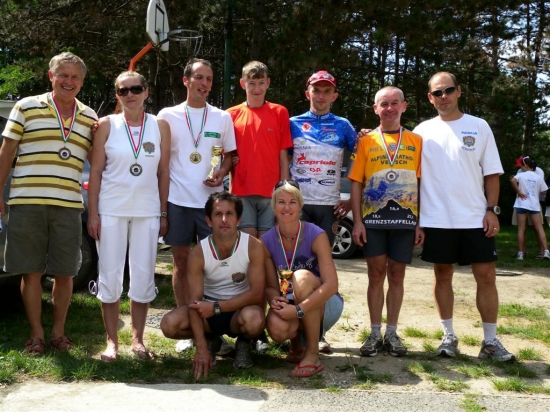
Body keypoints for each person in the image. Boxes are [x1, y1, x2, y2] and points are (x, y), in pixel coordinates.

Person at [412, 71, 515, 361]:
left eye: (448, 90)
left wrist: (492, 210)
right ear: (430, 98)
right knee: (442, 275)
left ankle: (490, 342)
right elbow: (413, 178)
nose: (443, 97)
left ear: (459, 91)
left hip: (475, 217)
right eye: (437, 93)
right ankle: (448, 337)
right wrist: (418, 220)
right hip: (437, 218)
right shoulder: (421, 131)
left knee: (486, 276)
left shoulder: (479, 126)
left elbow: (492, 173)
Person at [0, 52, 98, 355]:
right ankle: (36, 335)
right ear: (51, 76)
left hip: (68, 205)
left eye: (75, 77)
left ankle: (58, 332)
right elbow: (6, 152)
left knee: (66, 272)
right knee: (30, 272)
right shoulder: (25, 106)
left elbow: (99, 163)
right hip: (26, 201)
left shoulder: (90, 117)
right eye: (63, 75)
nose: (69, 81)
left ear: (82, 82)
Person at [86, 71, 170, 361]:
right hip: (111, 209)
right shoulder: (106, 125)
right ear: (117, 96)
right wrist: (93, 213)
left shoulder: (160, 125)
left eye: (135, 89)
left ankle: (137, 340)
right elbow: (96, 172)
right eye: (123, 91)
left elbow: (163, 172)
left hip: (147, 211)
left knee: (143, 275)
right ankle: (111, 342)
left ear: (146, 92)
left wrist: (163, 212)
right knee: (109, 275)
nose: (130, 94)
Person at [158, 58, 236, 352]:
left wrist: (221, 172)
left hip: (211, 204)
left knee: (214, 266)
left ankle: (214, 329)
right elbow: (160, 159)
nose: (204, 84)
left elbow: (229, 156)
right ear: (186, 80)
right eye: (199, 78)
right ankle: (189, 329)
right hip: (177, 200)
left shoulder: (221, 117)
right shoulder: (167, 115)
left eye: (209, 79)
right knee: (180, 264)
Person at [349, 86, 423, 357]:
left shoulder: (417, 141)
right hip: (373, 219)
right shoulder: (365, 141)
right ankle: (374, 332)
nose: (389, 108)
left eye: (394, 103)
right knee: (375, 275)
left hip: (405, 219)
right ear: (375, 108)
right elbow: (356, 182)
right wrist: (357, 222)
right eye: (384, 104)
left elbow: (422, 183)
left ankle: (392, 333)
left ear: (404, 106)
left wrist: (420, 222)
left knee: (397, 275)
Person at [160, 192, 265, 378]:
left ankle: (244, 343)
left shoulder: (253, 246)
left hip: (238, 311)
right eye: (218, 214)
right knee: (169, 325)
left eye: (229, 214)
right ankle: (210, 341)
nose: (224, 220)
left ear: (238, 219)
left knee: (255, 319)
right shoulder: (199, 252)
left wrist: (217, 307)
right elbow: (194, 302)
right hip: (206, 313)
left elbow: (257, 294)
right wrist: (200, 348)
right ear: (208, 220)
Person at [289, 71, 356, 354]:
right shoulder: (292, 123)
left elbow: (360, 155)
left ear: (334, 96)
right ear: (308, 94)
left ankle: (319, 333)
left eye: (327, 91)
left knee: (321, 270)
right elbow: (280, 157)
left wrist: (351, 197)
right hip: (298, 206)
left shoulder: (343, 125)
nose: (321, 95)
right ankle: (294, 334)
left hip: (329, 206)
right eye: (316, 90)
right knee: (294, 268)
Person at [262, 180, 342, 378]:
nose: (287, 207)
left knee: (301, 278)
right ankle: (297, 346)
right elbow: (270, 286)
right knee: (277, 329)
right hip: (291, 300)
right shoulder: (266, 240)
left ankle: (313, 354)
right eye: (281, 202)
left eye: (292, 202)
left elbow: (332, 285)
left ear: (300, 206)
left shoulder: (316, 234)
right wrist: (273, 298)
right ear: (273, 205)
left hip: (325, 303)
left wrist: (298, 310)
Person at [227, 61, 292, 239]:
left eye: (261, 83)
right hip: (241, 191)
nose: (257, 89)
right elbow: (226, 155)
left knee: (266, 246)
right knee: (247, 244)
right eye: (252, 83)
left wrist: (284, 191)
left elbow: (283, 156)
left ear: (268, 83)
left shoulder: (280, 112)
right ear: (242, 84)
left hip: (271, 193)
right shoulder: (230, 114)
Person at [510, 156, 550, 260]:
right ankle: (546, 251)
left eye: (521, 166)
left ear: (526, 165)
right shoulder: (538, 177)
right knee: (539, 228)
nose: (521, 168)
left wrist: (519, 192)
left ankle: (520, 253)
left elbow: (512, 180)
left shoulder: (521, 175)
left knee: (521, 228)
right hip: (534, 204)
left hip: (521, 203)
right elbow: (544, 192)